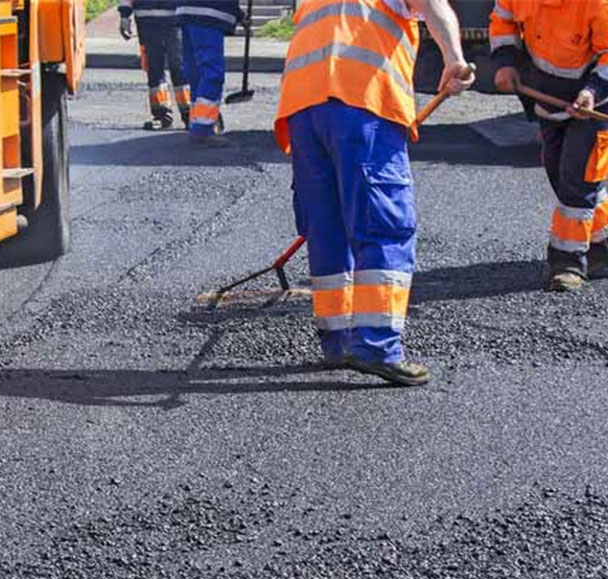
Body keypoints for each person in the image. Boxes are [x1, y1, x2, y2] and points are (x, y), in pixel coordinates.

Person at [274, 0, 474, 386]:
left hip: (304, 111)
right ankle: (377, 346)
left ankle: (337, 342)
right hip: (362, 103)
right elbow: (434, 6)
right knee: (383, 224)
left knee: (327, 228)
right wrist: (455, 59)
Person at [490, 0, 608, 292]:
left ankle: (567, 263)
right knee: (562, 174)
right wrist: (505, 63)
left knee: (577, 181)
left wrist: (592, 91)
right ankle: (602, 245)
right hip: (548, 101)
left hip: (596, 105)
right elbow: (502, 23)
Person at [175, 0, 244, 146]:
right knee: (212, 73)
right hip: (208, 12)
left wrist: (238, 14)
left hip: (186, 11)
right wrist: (237, 13)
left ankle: (197, 123)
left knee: (197, 74)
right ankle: (203, 129)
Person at [119, 0, 191, 129]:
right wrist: (124, 15)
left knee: (179, 66)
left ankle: (188, 113)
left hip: (174, 18)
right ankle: (162, 115)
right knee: (154, 67)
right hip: (147, 21)